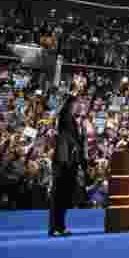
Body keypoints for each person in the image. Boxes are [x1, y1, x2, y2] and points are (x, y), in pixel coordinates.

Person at [49, 96, 86, 237]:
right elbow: (63, 113)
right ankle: (54, 228)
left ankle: (61, 226)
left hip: (71, 164)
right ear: (70, 105)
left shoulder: (76, 123)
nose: (80, 107)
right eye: (77, 104)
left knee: (65, 198)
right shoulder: (65, 118)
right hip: (62, 162)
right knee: (58, 197)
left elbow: (78, 142)